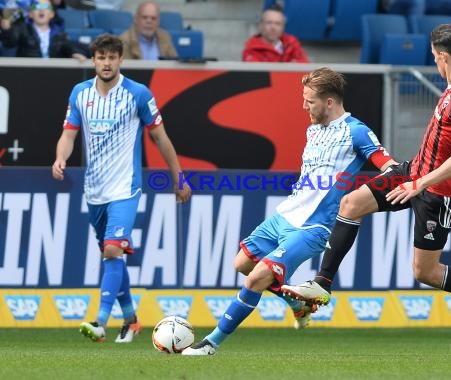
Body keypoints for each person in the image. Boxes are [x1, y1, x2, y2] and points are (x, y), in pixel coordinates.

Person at [283, 24, 451, 346]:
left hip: (438, 191)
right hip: (415, 171)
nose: (435, 63)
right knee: (351, 203)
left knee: (426, 272)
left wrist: (426, 179)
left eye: (435, 58)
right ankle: (322, 284)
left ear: (442, 56)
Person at [181, 67, 396, 356]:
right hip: (284, 215)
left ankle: (211, 344)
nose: (303, 106)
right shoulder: (313, 130)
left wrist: (374, 193)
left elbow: (389, 166)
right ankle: (297, 303)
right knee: (242, 264)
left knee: (255, 279)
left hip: (313, 227)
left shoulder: (355, 131)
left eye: (310, 101)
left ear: (329, 102)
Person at [52, 34, 191, 343]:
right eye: (101, 57)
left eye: (112, 57)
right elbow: (69, 134)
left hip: (125, 187)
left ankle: (100, 321)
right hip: (94, 189)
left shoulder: (138, 94)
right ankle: (131, 319)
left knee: (113, 249)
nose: (106, 62)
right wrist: (60, 157)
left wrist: (178, 177)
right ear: (93, 61)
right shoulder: (80, 93)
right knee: (110, 255)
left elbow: (160, 138)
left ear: (120, 60)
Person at [0, 0, 87, 59]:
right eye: (37, 7)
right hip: (28, 71)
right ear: (30, 14)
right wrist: (7, 30)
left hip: (52, 73)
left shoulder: (58, 33)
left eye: (45, 7)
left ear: (52, 14)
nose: (41, 10)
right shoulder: (22, 29)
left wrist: (74, 52)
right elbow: (9, 43)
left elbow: (66, 46)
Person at [242, 4, 309, 63]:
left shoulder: (292, 43)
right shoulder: (251, 49)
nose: (273, 27)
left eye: (277, 23)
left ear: (283, 26)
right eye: (269, 22)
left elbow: (304, 64)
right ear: (261, 25)